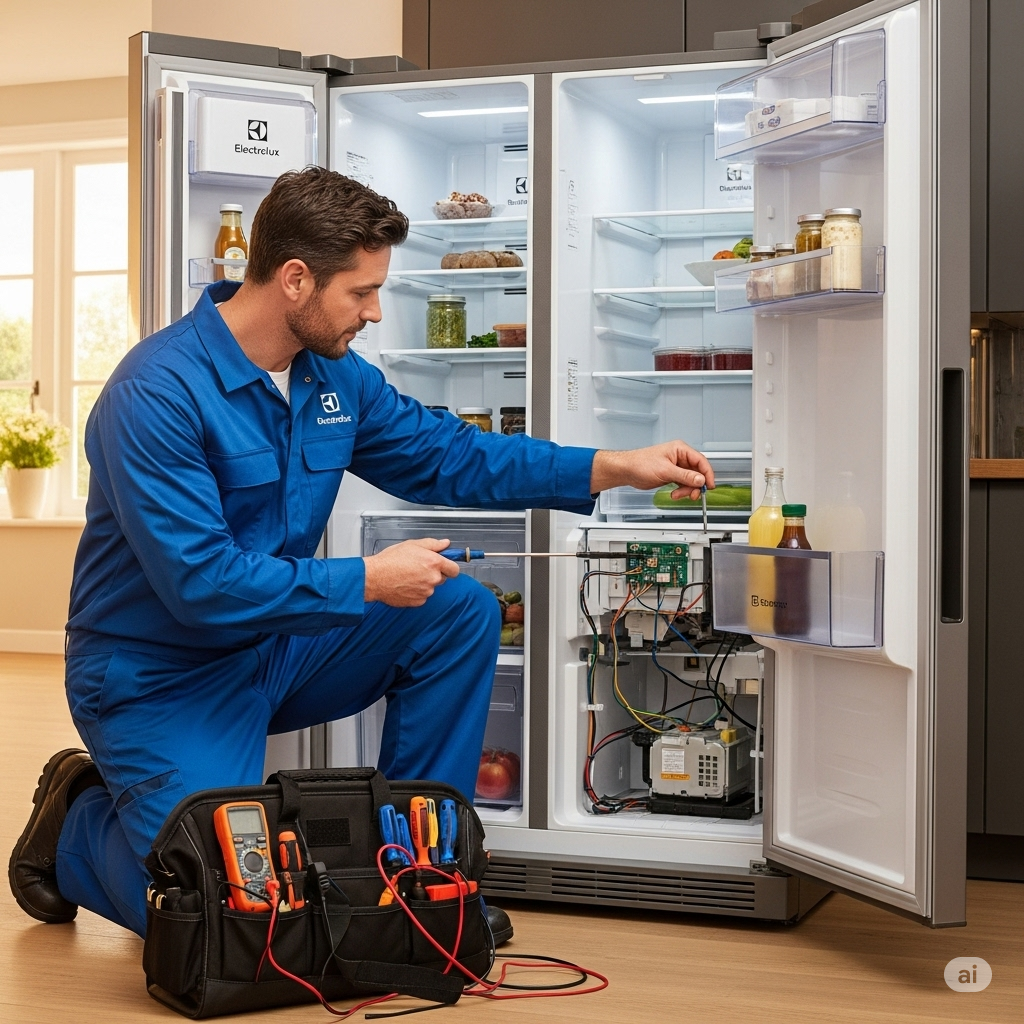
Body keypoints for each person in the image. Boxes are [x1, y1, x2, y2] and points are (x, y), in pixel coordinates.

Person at [9, 168, 713, 945]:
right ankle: (75, 828)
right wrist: (370, 579)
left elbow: (450, 454)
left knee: (456, 609)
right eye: (362, 292)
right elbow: (201, 584)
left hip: (274, 647)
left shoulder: (333, 376)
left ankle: (420, 879)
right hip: (160, 674)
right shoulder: (156, 391)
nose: (374, 312)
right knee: (232, 925)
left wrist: (612, 466)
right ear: (296, 279)